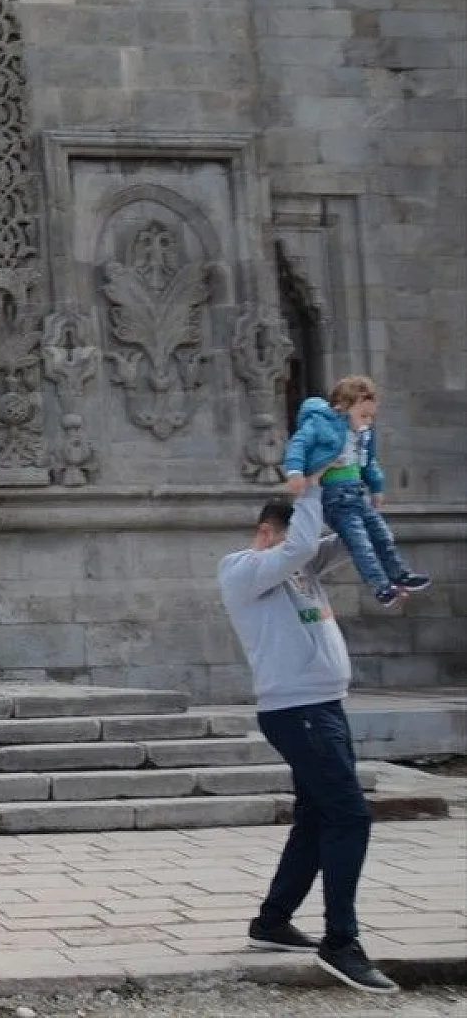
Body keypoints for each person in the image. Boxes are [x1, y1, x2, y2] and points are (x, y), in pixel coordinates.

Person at [217, 485, 398, 995]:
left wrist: (357, 502)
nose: (304, 547)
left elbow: (339, 545)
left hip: (323, 708)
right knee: (350, 816)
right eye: (295, 536)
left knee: (317, 818)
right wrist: (314, 485)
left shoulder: (303, 569)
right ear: (266, 532)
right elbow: (298, 546)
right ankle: (341, 943)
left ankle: (273, 922)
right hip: (296, 711)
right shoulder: (242, 570)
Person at [283, 375, 428, 606]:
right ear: (342, 406)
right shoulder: (322, 423)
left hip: (357, 492)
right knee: (360, 543)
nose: (367, 422)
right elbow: (298, 444)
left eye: (371, 417)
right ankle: (380, 586)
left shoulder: (363, 434)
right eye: (363, 416)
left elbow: (368, 462)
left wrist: (377, 487)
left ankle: (398, 572)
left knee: (381, 534)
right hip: (335, 497)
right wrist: (295, 472)